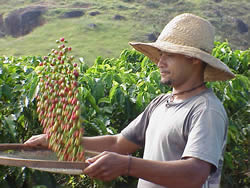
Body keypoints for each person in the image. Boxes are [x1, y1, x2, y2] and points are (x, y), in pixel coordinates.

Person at [25, 13, 235, 188]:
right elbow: (119, 143)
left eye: (168, 55)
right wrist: (61, 142)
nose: (160, 62)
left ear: (194, 59)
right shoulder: (161, 103)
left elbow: (194, 174)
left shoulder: (206, 110)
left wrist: (127, 165)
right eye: (160, 55)